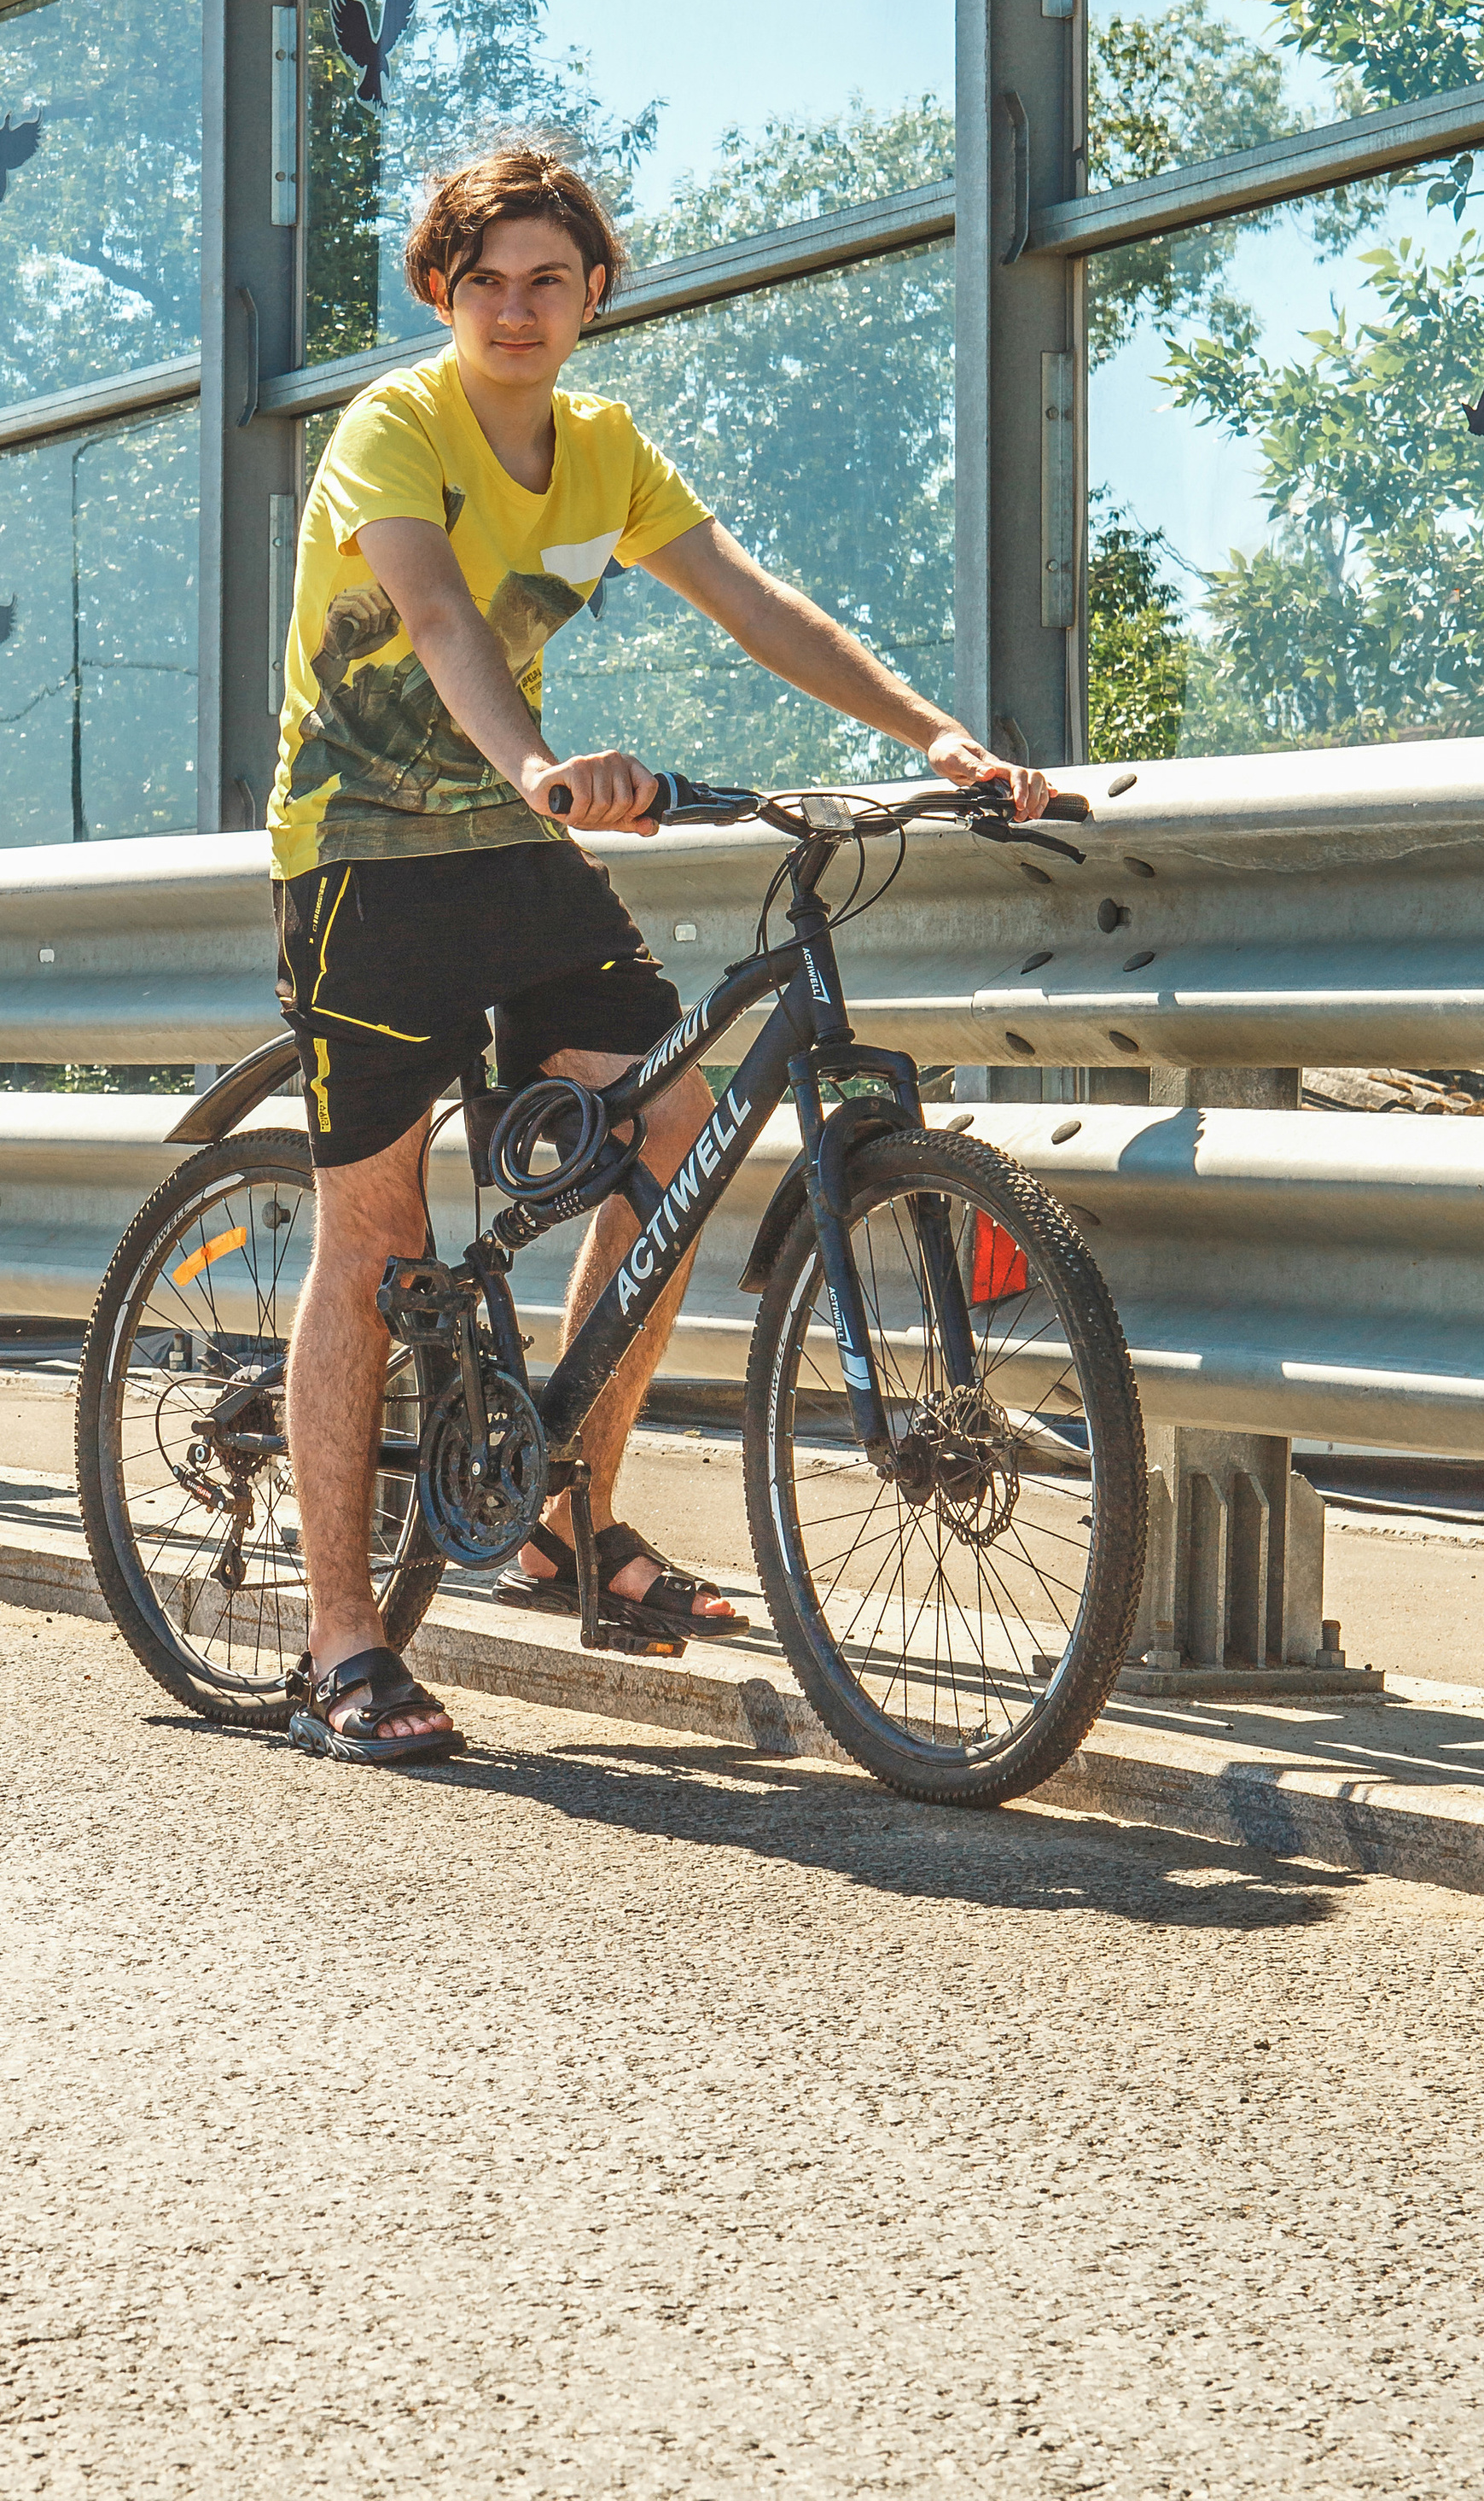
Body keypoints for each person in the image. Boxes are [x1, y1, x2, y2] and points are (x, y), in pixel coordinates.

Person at [267, 143, 1050, 1768]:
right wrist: (545, 766)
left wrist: (942, 735)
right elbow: (433, 621)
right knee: (380, 1232)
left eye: (548, 279)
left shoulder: (604, 449)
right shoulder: (391, 428)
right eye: (485, 281)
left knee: (672, 1126)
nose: (516, 307)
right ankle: (343, 1642)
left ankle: (570, 1517)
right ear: (441, 294)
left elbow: (752, 605)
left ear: (594, 295)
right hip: (366, 862)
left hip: (516, 846)